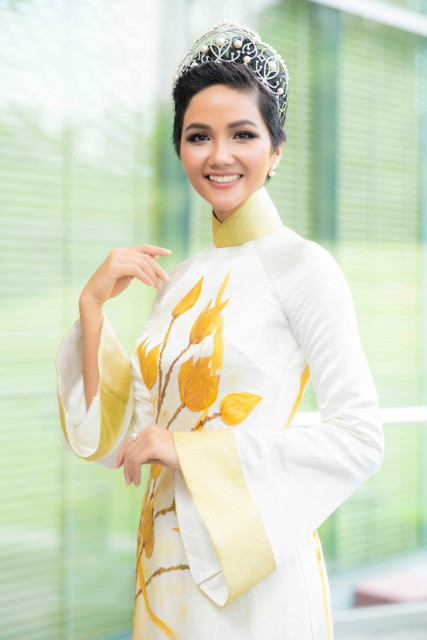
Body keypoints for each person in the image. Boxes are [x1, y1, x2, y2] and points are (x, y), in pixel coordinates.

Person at [55, 20, 384, 640]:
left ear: (276, 150)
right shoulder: (178, 281)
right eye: (198, 136)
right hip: (164, 570)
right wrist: (92, 306)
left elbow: (360, 439)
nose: (219, 155)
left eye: (243, 134)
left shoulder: (304, 267)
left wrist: (185, 450)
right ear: (180, 148)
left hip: (253, 575)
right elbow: (127, 436)